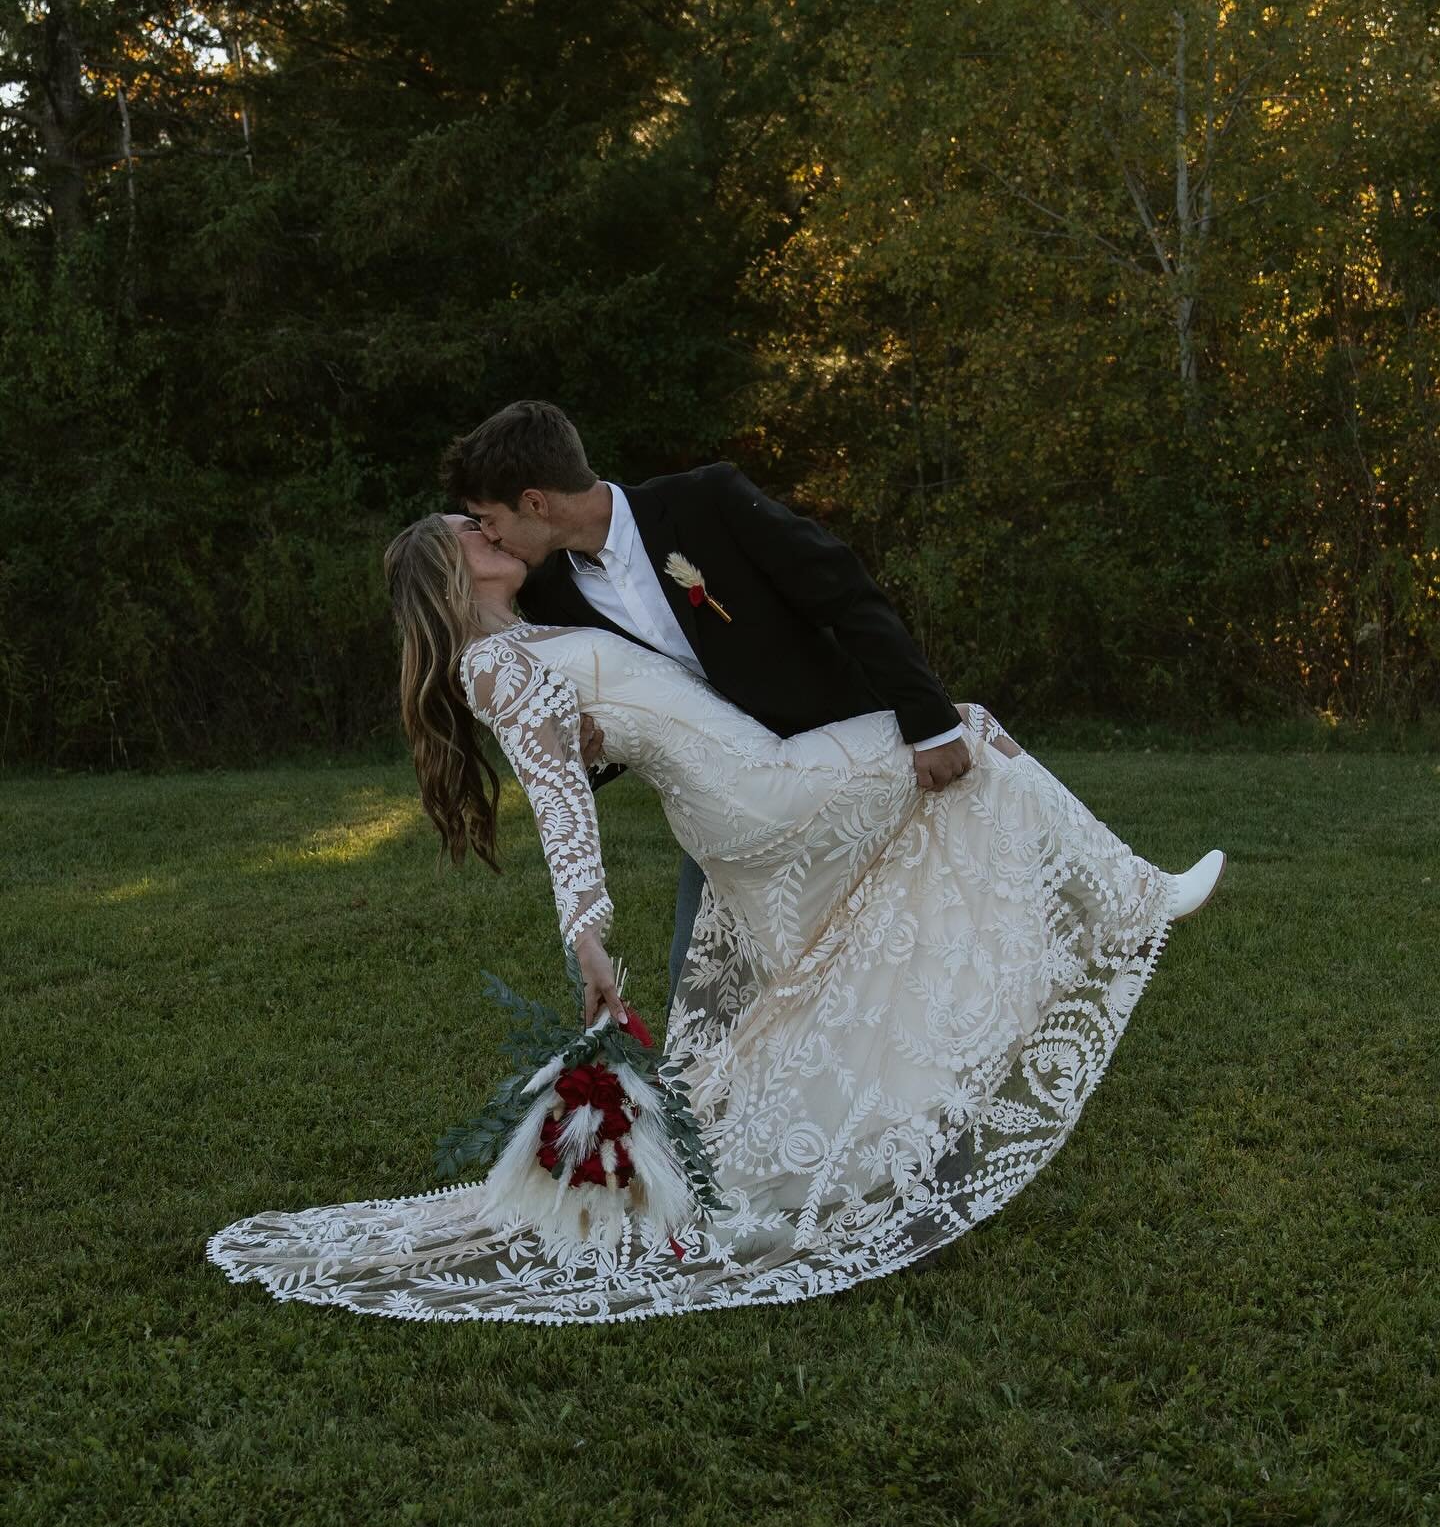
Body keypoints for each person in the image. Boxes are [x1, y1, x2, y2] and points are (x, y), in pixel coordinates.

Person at [205, 506, 1226, 1328]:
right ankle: (1138, 897)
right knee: (968, 734)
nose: (492, 532)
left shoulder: (525, 636)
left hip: (736, 799)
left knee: (814, 977)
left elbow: (603, 730)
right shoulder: (495, 668)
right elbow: (558, 803)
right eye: (471, 533)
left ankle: (853, 1155)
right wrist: (589, 932)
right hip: (757, 790)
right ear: (451, 573)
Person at [442, 400, 976, 1015]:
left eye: (487, 519)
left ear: (535, 503)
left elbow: (846, 595)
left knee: (901, 940)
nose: (487, 535)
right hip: (723, 804)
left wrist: (930, 723)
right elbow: (634, 707)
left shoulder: (707, 502)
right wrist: (592, 747)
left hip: (836, 749)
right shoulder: (546, 592)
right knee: (704, 995)